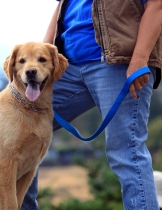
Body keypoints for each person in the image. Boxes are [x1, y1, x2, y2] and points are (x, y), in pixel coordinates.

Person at [21, 0, 162, 209]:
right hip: (67, 66)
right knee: (21, 129)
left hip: (117, 62)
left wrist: (140, 59)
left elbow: (156, 4)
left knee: (126, 152)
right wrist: (41, 59)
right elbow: (60, 7)